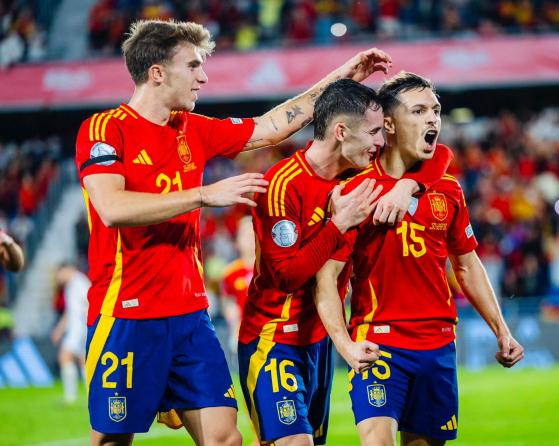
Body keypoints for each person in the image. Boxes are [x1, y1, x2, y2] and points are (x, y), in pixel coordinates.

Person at [75, 18, 392, 446]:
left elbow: (270, 125)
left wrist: (343, 79)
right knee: (114, 439)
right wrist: (204, 194)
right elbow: (112, 208)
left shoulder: (193, 129)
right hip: (126, 313)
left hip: (189, 315)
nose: (203, 76)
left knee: (227, 438)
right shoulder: (106, 129)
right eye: (193, 66)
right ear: (157, 73)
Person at [314, 72, 525, 446]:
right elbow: (326, 278)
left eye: (436, 110)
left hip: (438, 346)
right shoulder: (356, 189)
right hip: (379, 342)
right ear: (390, 125)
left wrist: (501, 330)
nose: (433, 119)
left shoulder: (449, 189)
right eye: (419, 110)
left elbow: (466, 264)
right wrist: (345, 344)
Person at [238, 78, 448, 446]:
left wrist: (407, 186)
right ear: (340, 131)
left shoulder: (357, 175)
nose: (379, 143)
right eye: (372, 133)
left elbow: (439, 157)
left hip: (319, 342)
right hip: (273, 337)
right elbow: (285, 276)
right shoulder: (282, 184)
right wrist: (337, 225)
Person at [51, 262, 90, 404]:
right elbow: (70, 311)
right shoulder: (71, 285)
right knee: (84, 362)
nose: (57, 278)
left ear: (66, 270)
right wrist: (59, 330)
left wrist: (88, 323)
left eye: (58, 274)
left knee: (64, 357)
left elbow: (89, 302)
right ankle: (89, 395)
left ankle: (70, 397)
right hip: (78, 327)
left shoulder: (79, 282)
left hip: (80, 327)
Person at [220, 214, 255, 356]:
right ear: (238, 241)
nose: (251, 239)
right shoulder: (230, 272)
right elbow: (228, 304)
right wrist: (234, 325)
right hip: (242, 332)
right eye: (246, 235)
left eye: (254, 234)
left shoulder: (270, 269)